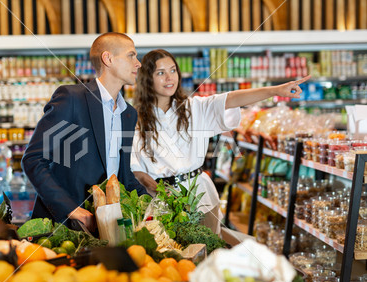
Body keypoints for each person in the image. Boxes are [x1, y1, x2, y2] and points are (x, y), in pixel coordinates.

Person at [131, 49, 310, 234]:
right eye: (161, 73)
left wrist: (275, 90)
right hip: (160, 201)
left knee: (208, 251)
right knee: (169, 256)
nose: (169, 78)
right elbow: (137, 169)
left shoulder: (194, 107)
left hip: (200, 197)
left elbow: (231, 98)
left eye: (173, 70)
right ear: (147, 78)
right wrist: (162, 192)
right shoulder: (135, 118)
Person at [22, 32, 147, 231]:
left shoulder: (128, 114)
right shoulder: (72, 98)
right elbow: (33, 159)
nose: (138, 63)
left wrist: (154, 205)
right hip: (63, 227)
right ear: (108, 58)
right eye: (131, 55)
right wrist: (71, 209)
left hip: (106, 227)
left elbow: (122, 174)